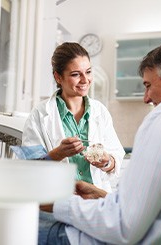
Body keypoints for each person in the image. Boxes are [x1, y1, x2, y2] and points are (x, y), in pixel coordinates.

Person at [38, 39, 161, 245]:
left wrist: (59, 204)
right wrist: (102, 195)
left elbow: (122, 225)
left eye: (148, 85)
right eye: (76, 74)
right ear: (58, 78)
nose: (146, 98)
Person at [22, 42, 125, 193]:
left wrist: (106, 161)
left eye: (88, 72)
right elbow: (28, 168)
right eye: (76, 74)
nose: (85, 80)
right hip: (57, 202)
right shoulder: (39, 114)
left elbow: (116, 156)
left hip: (95, 202)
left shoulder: (100, 112)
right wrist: (58, 153)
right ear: (58, 77)